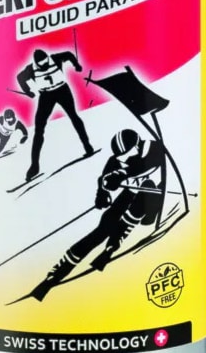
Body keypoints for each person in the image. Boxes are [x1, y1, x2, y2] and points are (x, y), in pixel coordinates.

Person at [30, 128, 165, 301]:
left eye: (125, 157)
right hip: (131, 193)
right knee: (104, 226)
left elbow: (143, 166)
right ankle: (56, 274)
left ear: (137, 146)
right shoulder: (116, 160)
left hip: (151, 195)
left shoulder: (153, 148)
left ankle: (115, 242)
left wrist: (121, 175)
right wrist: (102, 194)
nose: (122, 161)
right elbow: (104, 179)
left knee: (143, 197)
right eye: (120, 159)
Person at [16, 48, 93, 181]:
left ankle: (87, 145)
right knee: (39, 130)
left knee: (73, 116)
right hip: (46, 96)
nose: (45, 64)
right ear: (36, 63)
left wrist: (76, 65)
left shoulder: (55, 58)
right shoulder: (31, 69)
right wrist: (28, 91)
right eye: (42, 64)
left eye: (46, 61)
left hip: (62, 91)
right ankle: (34, 166)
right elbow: (20, 77)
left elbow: (68, 54)